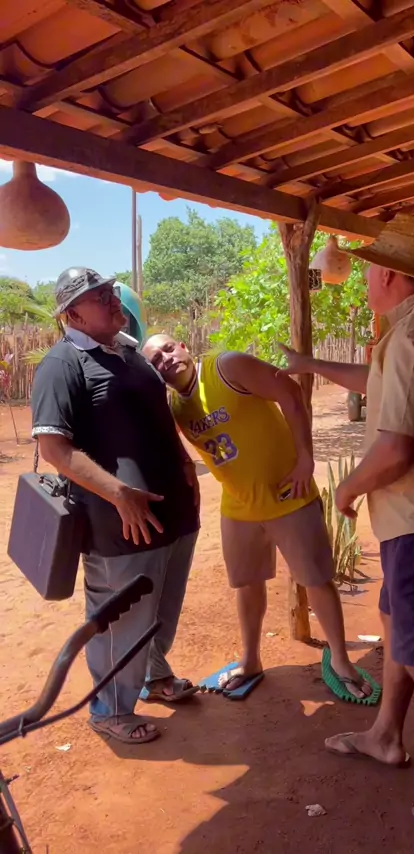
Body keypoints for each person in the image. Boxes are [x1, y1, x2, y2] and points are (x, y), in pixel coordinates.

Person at [280, 213, 414, 833]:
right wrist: (310, 364)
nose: (365, 278)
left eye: (370, 269)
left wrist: (347, 489)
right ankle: (386, 734)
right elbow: (379, 383)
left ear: (391, 275)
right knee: (398, 627)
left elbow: (398, 447)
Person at [142, 333, 374, 702]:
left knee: (316, 580)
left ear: (183, 346)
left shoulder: (227, 366)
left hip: (288, 495)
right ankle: (251, 660)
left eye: (168, 349)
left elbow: (290, 393)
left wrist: (306, 459)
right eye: (155, 360)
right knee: (247, 585)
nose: (166, 359)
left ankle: (341, 661)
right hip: (238, 506)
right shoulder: (176, 406)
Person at [31, 268, 200, 745]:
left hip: (173, 512)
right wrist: (120, 493)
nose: (110, 299)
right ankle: (109, 710)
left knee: (163, 605)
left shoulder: (129, 353)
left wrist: (184, 463)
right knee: (119, 619)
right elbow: (54, 449)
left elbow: (158, 417)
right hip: (120, 524)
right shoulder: (62, 365)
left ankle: (154, 676)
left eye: (109, 290)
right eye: (97, 296)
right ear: (72, 315)